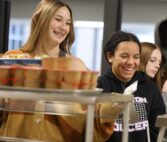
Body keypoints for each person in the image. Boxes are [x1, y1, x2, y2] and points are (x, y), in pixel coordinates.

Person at [0, 0, 123, 141]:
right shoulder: (12, 59)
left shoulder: (76, 67)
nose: (63, 27)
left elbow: (88, 115)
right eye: (58, 19)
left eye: (68, 23)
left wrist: (110, 108)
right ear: (39, 19)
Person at [97, 31, 166, 142]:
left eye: (136, 57)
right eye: (124, 56)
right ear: (110, 56)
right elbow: (94, 130)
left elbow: (158, 129)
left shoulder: (149, 88)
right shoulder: (100, 86)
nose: (130, 62)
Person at [137, 42, 167, 113]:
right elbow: (156, 121)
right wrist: (166, 96)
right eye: (152, 60)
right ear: (141, 59)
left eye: (159, 63)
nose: (157, 66)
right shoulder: (132, 88)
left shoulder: (152, 87)